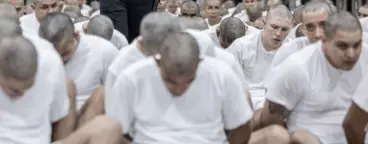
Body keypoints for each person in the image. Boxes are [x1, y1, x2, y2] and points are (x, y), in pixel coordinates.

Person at [107, 31, 290, 144]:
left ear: (200, 63)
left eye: (189, 81)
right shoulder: (133, 77)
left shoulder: (221, 74)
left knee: (278, 136)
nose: (179, 89)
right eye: (170, 82)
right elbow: (117, 130)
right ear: (158, 61)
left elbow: (241, 126)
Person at [258, 11, 367, 144]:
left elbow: (353, 123)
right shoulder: (297, 66)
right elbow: (270, 119)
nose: (351, 54)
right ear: (325, 42)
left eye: (356, 45)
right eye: (342, 46)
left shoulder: (366, 58)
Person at [39, 12, 118, 126]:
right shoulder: (38, 54)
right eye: (53, 55)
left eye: (64, 53)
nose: (59, 59)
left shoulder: (104, 50)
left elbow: (118, 97)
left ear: (76, 36)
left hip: (89, 120)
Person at [227, 5, 293, 109]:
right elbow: (226, 79)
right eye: (274, 27)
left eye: (284, 29)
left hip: (277, 102)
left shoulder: (293, 50)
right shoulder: (241, 46)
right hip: (244, 101)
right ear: (264, 23)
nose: (278, 33)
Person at [269, 0, 333, 69]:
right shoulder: (288, 54)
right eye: (310, 27)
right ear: (302, 29)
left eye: (323, 25)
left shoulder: (344, 52)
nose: (318, 34)